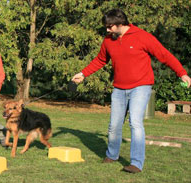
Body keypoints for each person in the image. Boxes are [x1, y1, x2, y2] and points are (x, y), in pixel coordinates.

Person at [72, 9, 191, 173]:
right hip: (119, 88)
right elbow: (100, 60)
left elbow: (164, 55)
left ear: (121, 23)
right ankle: (112, 155)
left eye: (110, 26)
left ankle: (136, 163)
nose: (107, 30)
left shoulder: (142, 36)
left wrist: (182, 73)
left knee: (135, 122)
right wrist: (83, 73)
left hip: (141, 86)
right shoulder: (108, 40)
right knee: (114, 125)